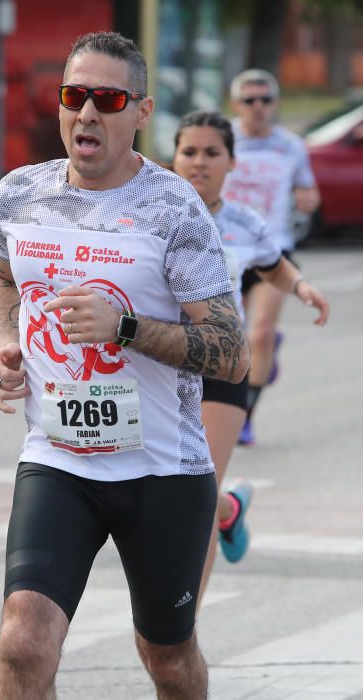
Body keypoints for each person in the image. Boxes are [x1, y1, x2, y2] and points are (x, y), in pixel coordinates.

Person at [0, 32, 249, 699]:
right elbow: (1, 277)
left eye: (108, 98)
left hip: (162, 470)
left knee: (167, 658)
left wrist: (124, 327)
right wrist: (8, 342)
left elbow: (229, 352)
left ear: (141, 110)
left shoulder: (174, 210)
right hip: (58, 459)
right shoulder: (19, 196)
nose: (88, 114)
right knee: (23, 642)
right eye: (76, 96)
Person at [172, 111, 329, 600]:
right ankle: (230, 509)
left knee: (194, 494)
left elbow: (274, 266)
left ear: (232, 162)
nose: (199, 163)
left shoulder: (242, 222)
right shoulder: (149, 220)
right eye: (189, 152)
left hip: (222, 365)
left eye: (212, 153)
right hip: (160, 366)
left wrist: (301, 287)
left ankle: (185, 626)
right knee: (168, 486)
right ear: (172, 158)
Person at [222, 69, 320, 446]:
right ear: (237, 104)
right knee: (234, 336)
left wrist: (306, 200)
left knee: (259, 331)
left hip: (273, 248)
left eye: (265, 100)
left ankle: (246, 415)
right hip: (228, 249)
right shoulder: (224, 138)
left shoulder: (291, 146)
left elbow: (307, 190)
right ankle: (262, 355)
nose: (258, 107)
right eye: (249, 100)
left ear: (275, 104)